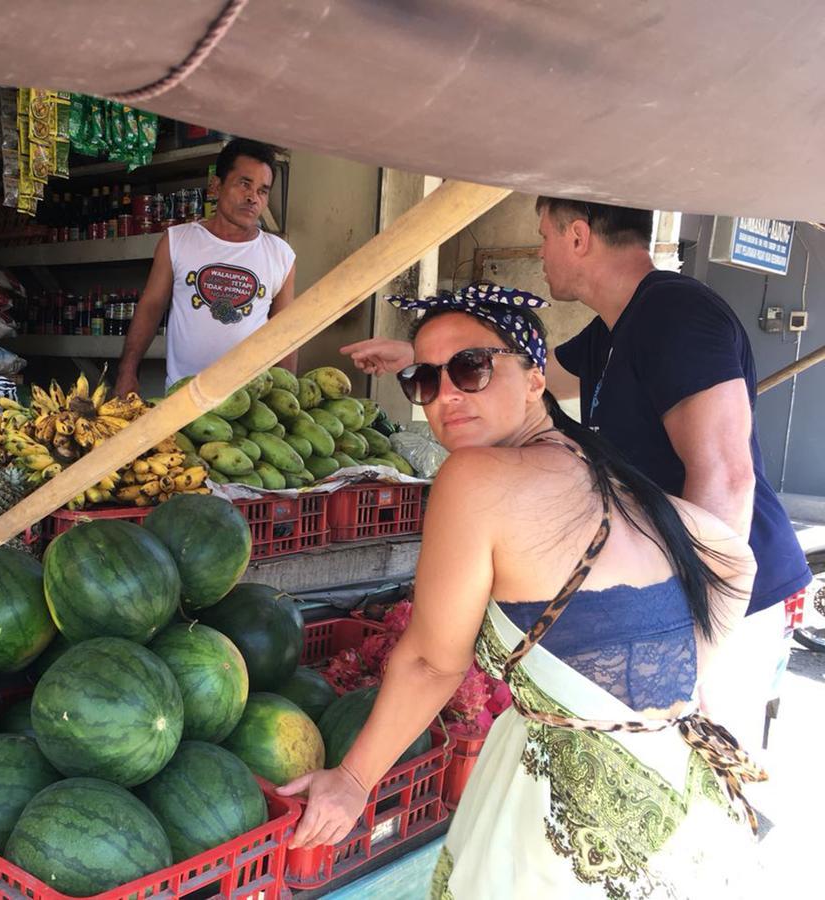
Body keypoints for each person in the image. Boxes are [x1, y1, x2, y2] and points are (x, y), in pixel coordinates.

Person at [282, 285, 762, 898]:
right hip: (687, 803)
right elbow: (731, 560)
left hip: (567, 832)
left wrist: (351, 779)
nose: (445, 395)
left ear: (536, 379)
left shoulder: (474, 476)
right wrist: (671, 701)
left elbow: (433, 661)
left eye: (470, 368)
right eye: (424, 381)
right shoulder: (608, 475)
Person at [342, 200, 811, 749]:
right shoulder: (613, 328)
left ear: (579, 237)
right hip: (653, 604)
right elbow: (530, 369)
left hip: (718, 598)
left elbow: (727, 477)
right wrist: (426, 359)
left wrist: (690, 639)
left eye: (544, 236)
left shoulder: (676, 313)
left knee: (688, 788)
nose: (539, 253)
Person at [114, 138, 296, 395]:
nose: (252, 198)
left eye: (262, 190)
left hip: (252, 403)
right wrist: (127, 370)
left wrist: (287, 398)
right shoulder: (177, 241)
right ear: (216, 185)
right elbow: (151, 306)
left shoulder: (281, 255)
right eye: (245, 184)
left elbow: (285, 331)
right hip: (183, 399)